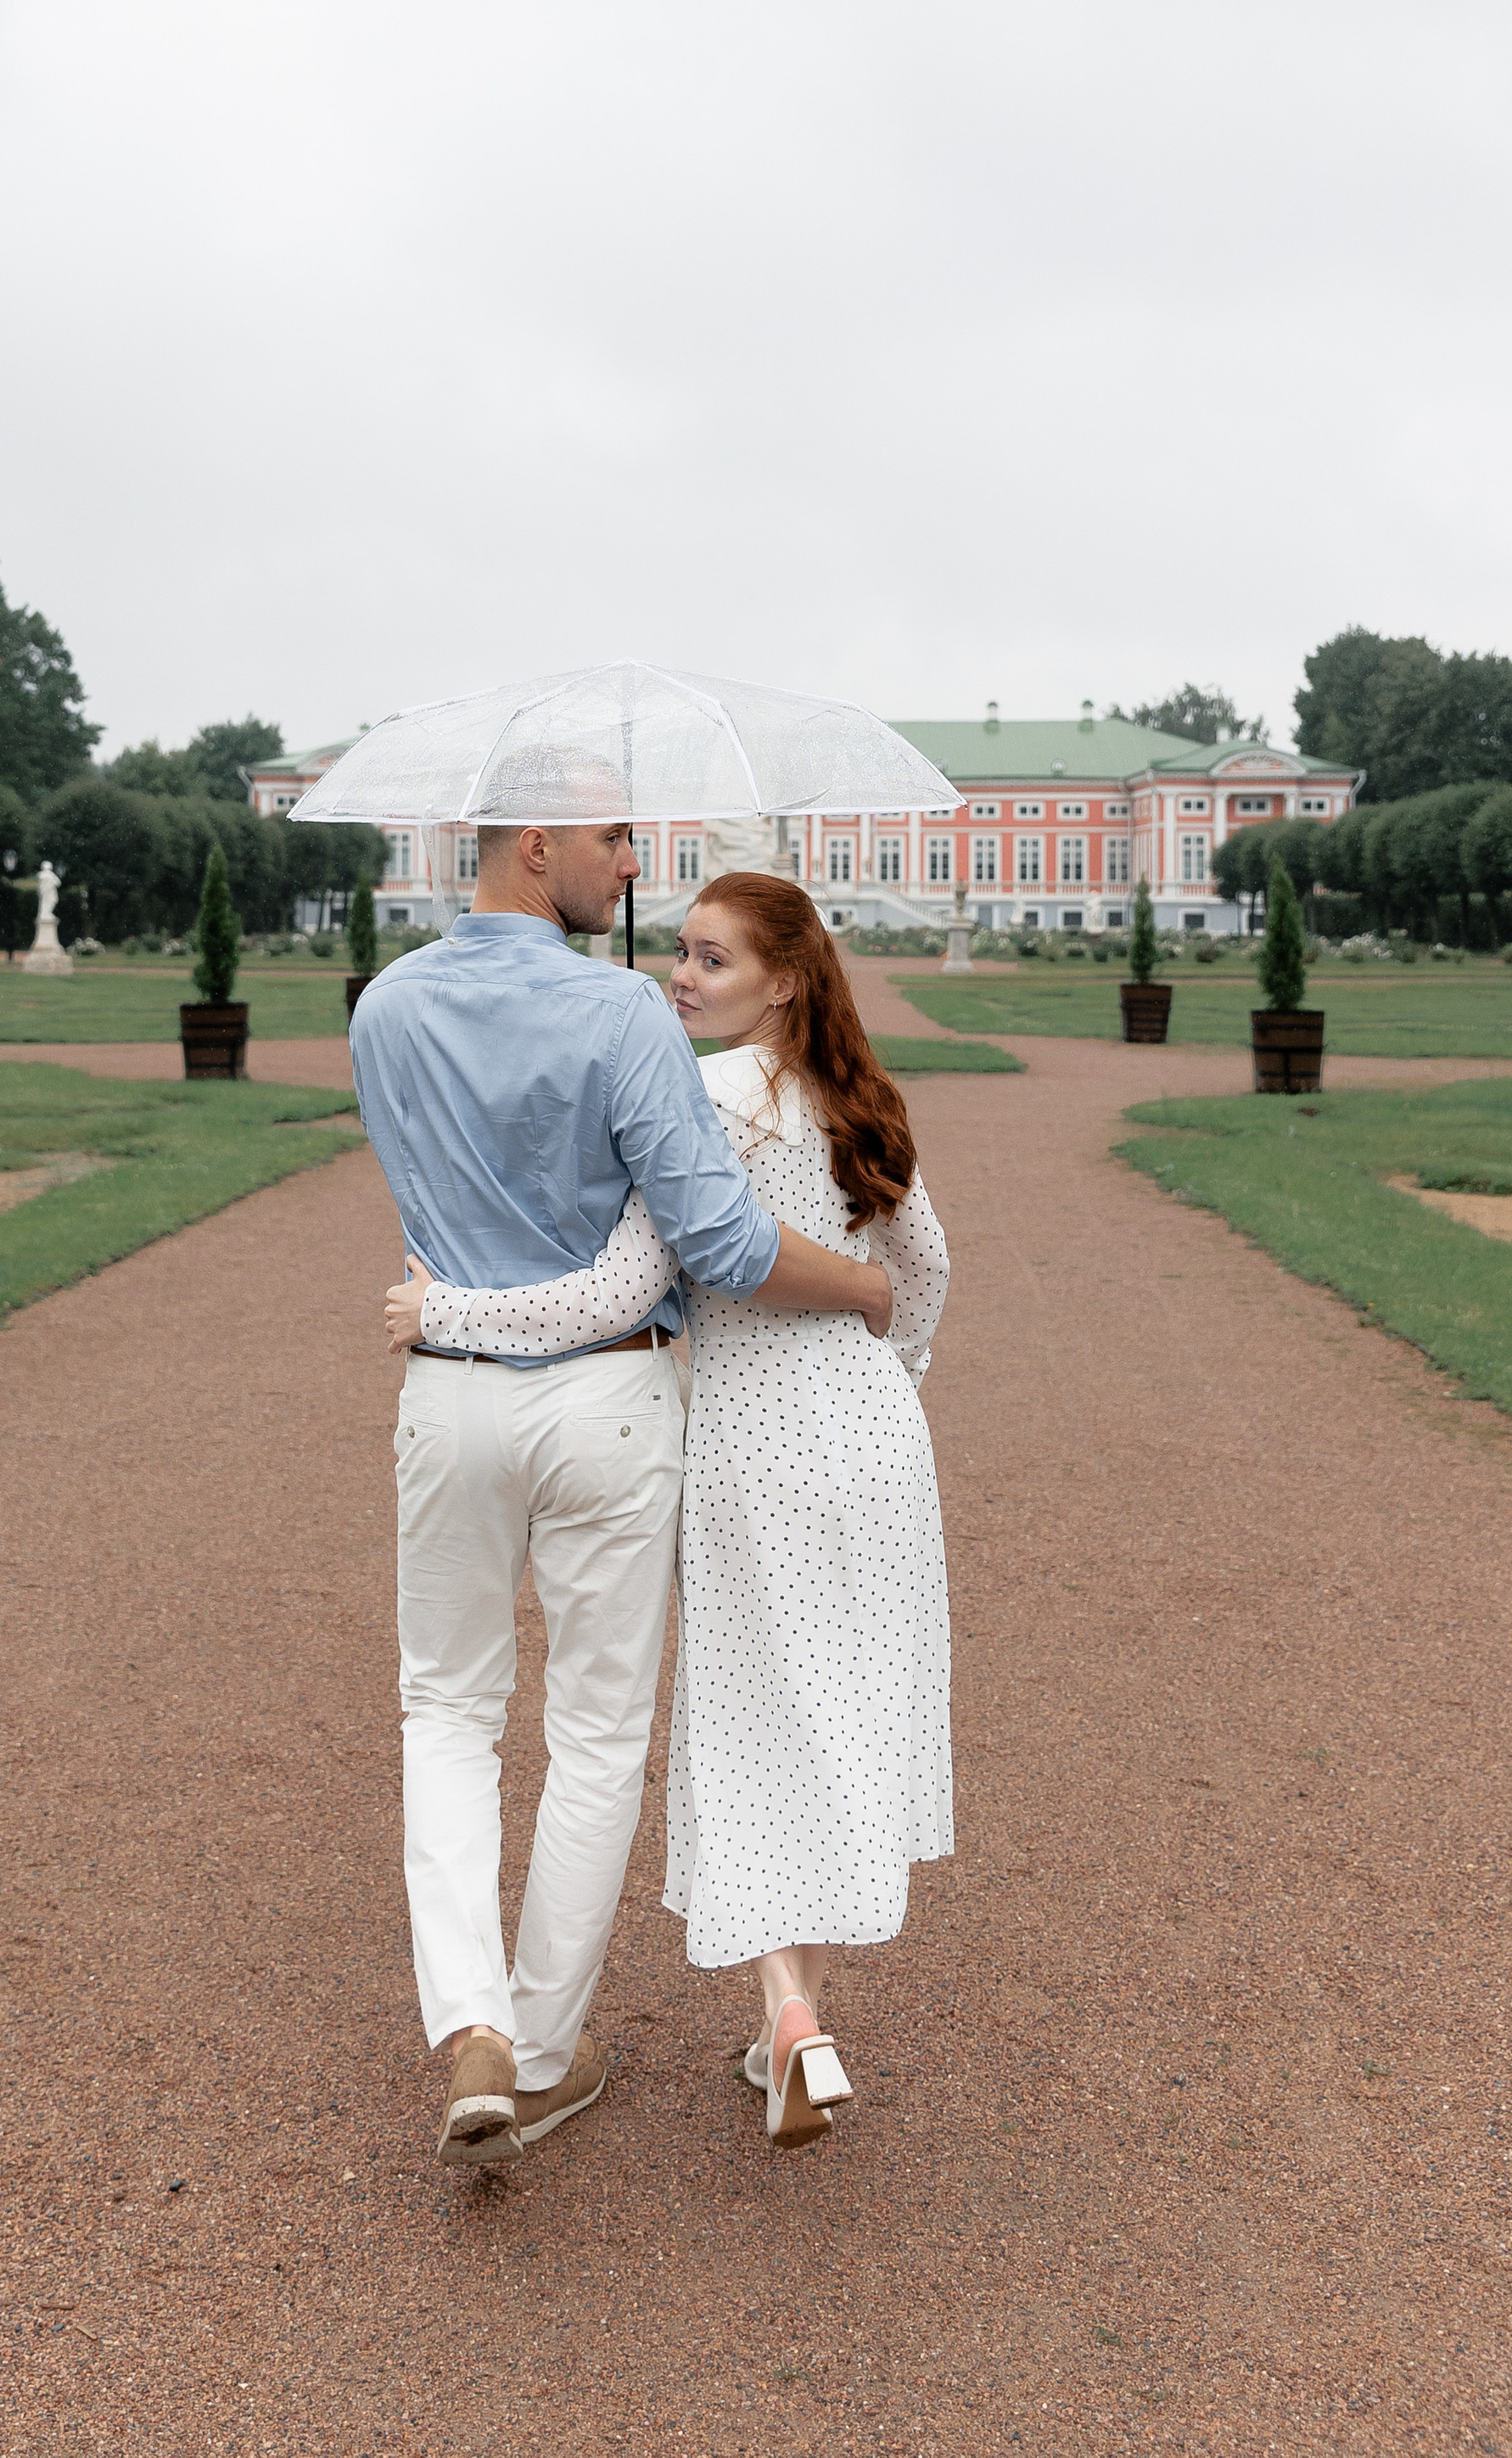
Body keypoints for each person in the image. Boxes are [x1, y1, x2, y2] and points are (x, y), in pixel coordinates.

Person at [350, 813, 898, 2171]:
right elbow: (712, 1239)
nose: (632, 867)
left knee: (447, 1712)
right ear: (536, 845)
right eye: (612, 838)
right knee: (595, 1735)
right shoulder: (622, 1013)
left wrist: (459, 1301)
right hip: (608, 1399)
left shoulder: (387, 1006)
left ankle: (468, 2017)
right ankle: (538, 2055)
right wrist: (874, 1293)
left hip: (449, 1387)